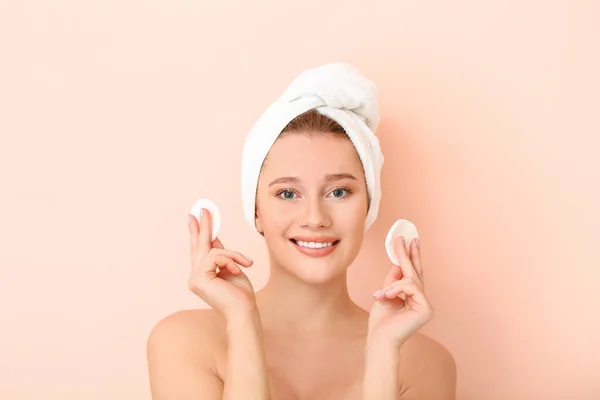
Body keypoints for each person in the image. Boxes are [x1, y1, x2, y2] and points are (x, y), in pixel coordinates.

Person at [147, 64, 457, 399]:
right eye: (287, 193)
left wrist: (383, 355)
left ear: (369, 206)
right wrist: (242, 323)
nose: (315, 217)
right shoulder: (185, 341)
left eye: (338, 192)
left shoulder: (424, 362)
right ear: (256, 210)